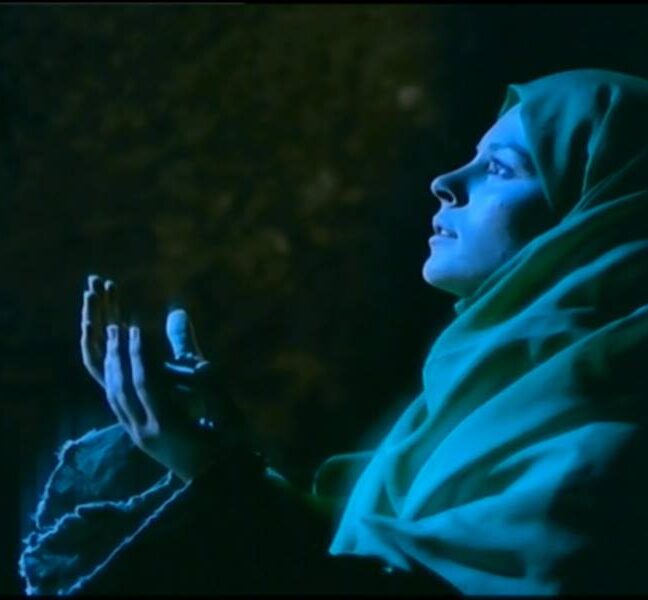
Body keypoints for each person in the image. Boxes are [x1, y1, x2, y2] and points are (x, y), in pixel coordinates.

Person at [19, 67, 648, 595]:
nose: (447, 184)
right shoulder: (467, 397)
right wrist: (213, 456)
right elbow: (352, 554)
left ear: (600, 220)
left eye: (503, 170)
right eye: (473, 160)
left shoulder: (608, 441)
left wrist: (218, 478)